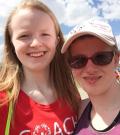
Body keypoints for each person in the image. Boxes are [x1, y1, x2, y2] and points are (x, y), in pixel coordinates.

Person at [0, 0, 81, 134]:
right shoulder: (3, 102)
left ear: (57, 40)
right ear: (12, 44)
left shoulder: (71, 93)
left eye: (45, 34)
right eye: (24, 36)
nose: (36, 43)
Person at [61, 18, 120, 134]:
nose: (90, 69)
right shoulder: (77, 111)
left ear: (116, 59)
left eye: (101, 57)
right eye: (78, 61)